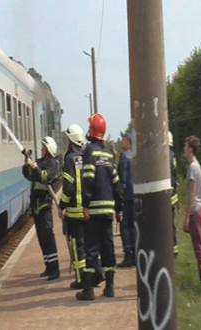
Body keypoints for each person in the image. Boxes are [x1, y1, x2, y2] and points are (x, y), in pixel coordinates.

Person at [76, 114, 124, 301]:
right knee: (108, 247)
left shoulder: (89, 151)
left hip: (94, 209)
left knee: (91, 249)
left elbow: (87, 178)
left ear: (92, 131)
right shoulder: (109, 153)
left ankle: (88, 290)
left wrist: (86, 205)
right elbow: (116, 183)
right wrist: (119, 209)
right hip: (108, 209)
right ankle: (110, 288)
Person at [22, 136, 61, 281]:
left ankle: (55, 269)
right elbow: (28, 175)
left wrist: (36, 168)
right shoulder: (40, 162)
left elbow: (45, 177)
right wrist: (27, 162)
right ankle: (48, 266)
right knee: (41, 238)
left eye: (44, 147)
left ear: (49, 149)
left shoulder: (53, 164)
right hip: (36, 206)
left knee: (48, 237)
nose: (42, 149)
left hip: (44, 204)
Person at [59, 124, 86, 290]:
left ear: (71, 141)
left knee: (76, 245)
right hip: (86, 208)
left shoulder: (69, 159)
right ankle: (89, 275)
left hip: (74, 210)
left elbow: (68, 187)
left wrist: (62, 204)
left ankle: (81, 279)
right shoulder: (84, 156)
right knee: (87, 243)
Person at [182, 136, 201, 287]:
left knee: (199, 246)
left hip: (195, 211)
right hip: (198, 209)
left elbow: (191, 194)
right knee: (198, 245)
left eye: (186, 147)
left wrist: (186, 217)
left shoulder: (193, 167)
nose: (184, 150)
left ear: (191, 149)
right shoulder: (197, 166)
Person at [117, 134, 136, 268]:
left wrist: (119, 196)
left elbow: (122, 179)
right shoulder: (134, 156)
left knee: (125, 227)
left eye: (124, 140)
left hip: (126, 197)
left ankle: (128, 255)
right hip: (134, 195)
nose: (122, 142)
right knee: (133, 226)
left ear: (129, 142)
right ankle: (135, 254)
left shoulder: (125, 157)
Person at [169, 131, 179, 256]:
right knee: (171, 224)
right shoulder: (173, 155)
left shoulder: (165, 154)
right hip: (173, 194)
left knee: (166, 223)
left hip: (167, 195)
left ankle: (170, 248)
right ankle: (174, 248)